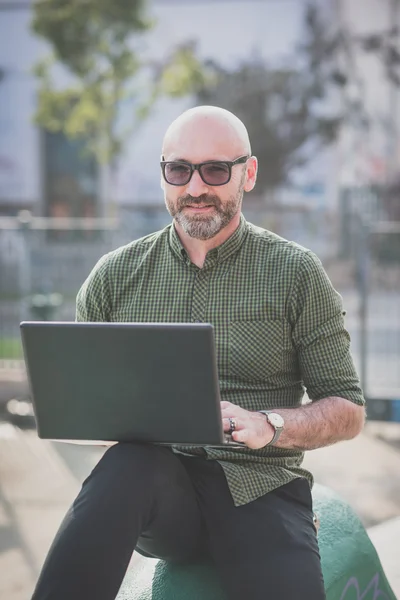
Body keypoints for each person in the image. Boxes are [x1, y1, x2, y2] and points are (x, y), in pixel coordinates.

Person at [31, 106, 365, 600]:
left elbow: (348, 409)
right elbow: (97, 418)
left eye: (215, 170)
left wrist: (269, 424)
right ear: (164, 174)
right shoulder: (113, 278)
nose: (194, 188)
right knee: (125, 465)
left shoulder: (296, 274)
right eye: (179, 169)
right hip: (164, 498)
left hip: (262, 489)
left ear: (247, 174)